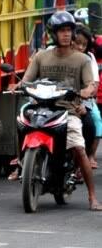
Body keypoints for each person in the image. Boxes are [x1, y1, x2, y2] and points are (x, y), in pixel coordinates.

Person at [9, 11, 100, 211]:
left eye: (69, 30)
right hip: (40, 107)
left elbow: (91, 84)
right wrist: (18, 85)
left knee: (78, 148)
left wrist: (86, 91)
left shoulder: (82, 60)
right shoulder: (42, 56)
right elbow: (26, 79)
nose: (66, 35)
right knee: (20, 120)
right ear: (54, 33)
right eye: (62, 31)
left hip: (68, 111)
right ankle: (20, 163)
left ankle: (92, 197)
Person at [73, 23, 102, 169]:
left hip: (82, 99)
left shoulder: (88, 59)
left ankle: (88, 156)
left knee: (94, 121)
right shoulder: (52, 52)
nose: (80, 47)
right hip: (56, 98)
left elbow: (94, 84)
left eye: (83, 44)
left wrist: (86, 92)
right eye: (77, 43)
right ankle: (21, 163)